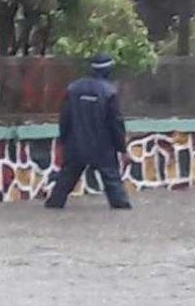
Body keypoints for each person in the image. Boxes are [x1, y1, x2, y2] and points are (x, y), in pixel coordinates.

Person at [45, 53, 132, 210]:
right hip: (102, 147)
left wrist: (63, 141)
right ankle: (121, 208)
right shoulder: (109, 92)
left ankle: (54, 204)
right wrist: (122, 149)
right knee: (113, 182)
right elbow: (116, 124)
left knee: (65, 180)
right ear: (109, 70)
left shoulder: (73, 89)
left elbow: (65, 118)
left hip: (75, 144)